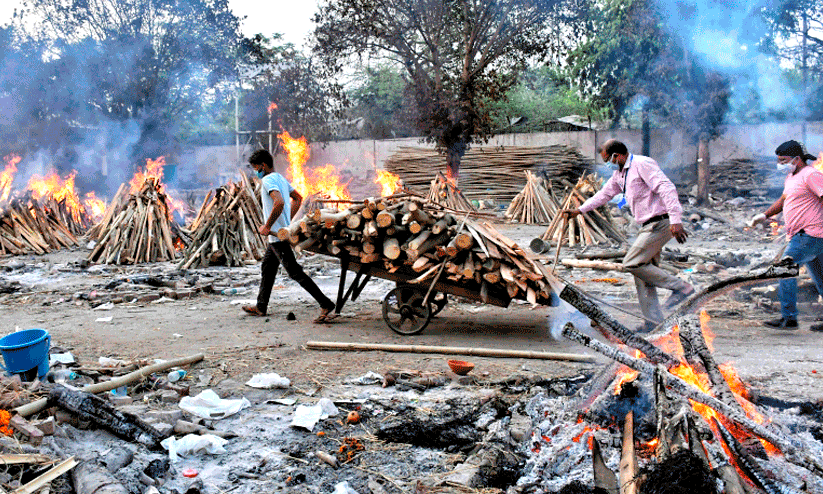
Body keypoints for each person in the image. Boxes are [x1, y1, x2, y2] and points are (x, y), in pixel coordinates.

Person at [564, 139, 695, 331]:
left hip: (660, 223)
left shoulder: (642, 164)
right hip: (648, 225)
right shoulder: (620, 175)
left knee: (632, 263)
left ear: (618, 155)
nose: (607, 164)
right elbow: (604, 195)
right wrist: (580, 211)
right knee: (642, 273)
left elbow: (666, 188)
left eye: (608, 159)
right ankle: (653, 323)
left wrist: (676, 220)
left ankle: (682, 287)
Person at [242, 149, 337, 323]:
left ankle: (326, 303)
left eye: (256, 167)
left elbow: (279, 202)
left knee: (295, 272)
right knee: (267, 269)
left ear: (263, 165)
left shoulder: (268, 180)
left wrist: (268, 225)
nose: (256, 171)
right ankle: (261, 306)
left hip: (277, 236)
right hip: (277, 235)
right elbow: (298, 198)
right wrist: (287, 221)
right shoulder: (280, 178)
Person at [750, 140, 823, 331]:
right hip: (810, 235)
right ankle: (789, 317)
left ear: (797, 159)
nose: (780, 164)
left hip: (809, 234)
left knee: (784, 269)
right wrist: (764, 215)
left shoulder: (811, 174)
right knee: (821, 278)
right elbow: (783, 200)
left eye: (783, 160)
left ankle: (789, 318)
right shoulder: (792, 176)